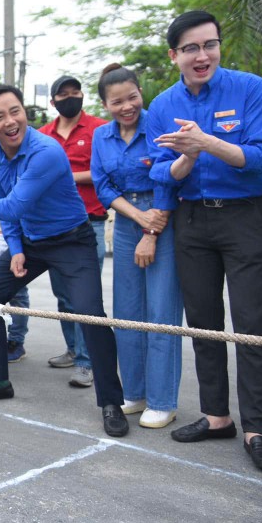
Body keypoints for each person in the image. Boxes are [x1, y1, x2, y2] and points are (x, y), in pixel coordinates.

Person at [0, 84, 129, 438]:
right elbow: (8, 210)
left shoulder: (46, 151)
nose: (11, 121)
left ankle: (111, 402)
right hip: (30, 241)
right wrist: (16, 247)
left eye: (16, 111)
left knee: (91, 314)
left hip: (72, 240)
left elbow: (13, 205)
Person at [148, 10, 262, 472]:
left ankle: (257, 428)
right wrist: (184, 161)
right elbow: (159, 171)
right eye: (190, 48)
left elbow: (260, 158)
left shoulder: (249, 88)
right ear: (175, 56)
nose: (202, 55)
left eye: (209, 45)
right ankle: (217, 416)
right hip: (193, 222)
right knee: (203, 324)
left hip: (246, 217)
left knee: (250, 326)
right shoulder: (162, 104)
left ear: (219, 47)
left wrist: (204, 142)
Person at [92, 64, 183, 429]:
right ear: (105, 104)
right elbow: (102, 186)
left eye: (132, 97)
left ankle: (164, 400)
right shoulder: (102, 136)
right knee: (127, 314)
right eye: (117, 101)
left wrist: (152, 228)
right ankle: (135, 391)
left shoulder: (159, 124)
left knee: (160, 314)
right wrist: (138, 220)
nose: (126, 106)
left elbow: (169, 177)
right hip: (129, 220)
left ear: (140, 93)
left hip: (163, 216)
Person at [39, 76, 109, 387]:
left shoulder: (99, 129)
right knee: (63, 295)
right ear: (53, 102)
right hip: (54, 228)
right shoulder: (44, 135)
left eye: (75, 92)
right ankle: (73, 349)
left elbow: (103, 172)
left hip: (89, 223)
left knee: (86, 298)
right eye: (63, 94)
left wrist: (62, 174)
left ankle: (87, 361)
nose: (71, 97)